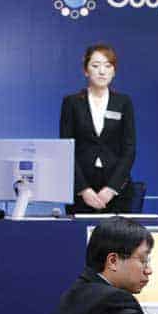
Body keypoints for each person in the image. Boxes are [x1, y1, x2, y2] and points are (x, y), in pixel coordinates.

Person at [60, 44, 136, 214]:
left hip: (117, 189)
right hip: (81, 188)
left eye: (108, 66)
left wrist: (111, 188)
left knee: (119, 239)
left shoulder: (123, 102)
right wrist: (83, 189)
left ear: (114, 71)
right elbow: (66, 149)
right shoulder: (72, 102)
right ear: (86, 71)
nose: (102, 71)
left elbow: (129, 149)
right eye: (95, 65)